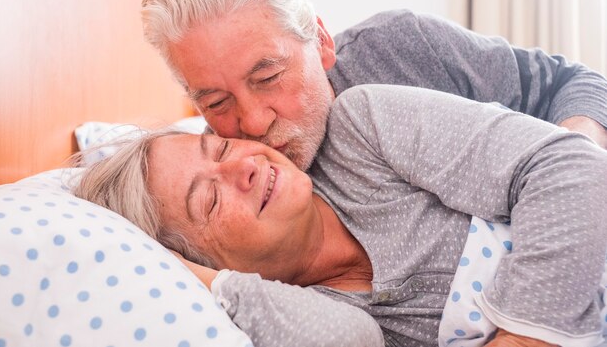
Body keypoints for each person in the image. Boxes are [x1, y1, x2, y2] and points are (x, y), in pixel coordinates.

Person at [74, 84, 607, 347]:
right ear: (200, 258)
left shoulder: (361, 130)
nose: (245, 168)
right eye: (209, 202)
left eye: (219, 149)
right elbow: (352, 340)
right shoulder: (312, 311)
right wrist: (201, 281)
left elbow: (573, 166)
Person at [140, 0, 607, 172]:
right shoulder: (219, 177)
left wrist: (574, 161)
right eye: (217, 103)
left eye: (267, 77)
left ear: (320, 41)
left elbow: (574, 83)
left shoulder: (401, 46)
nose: (254, 123)